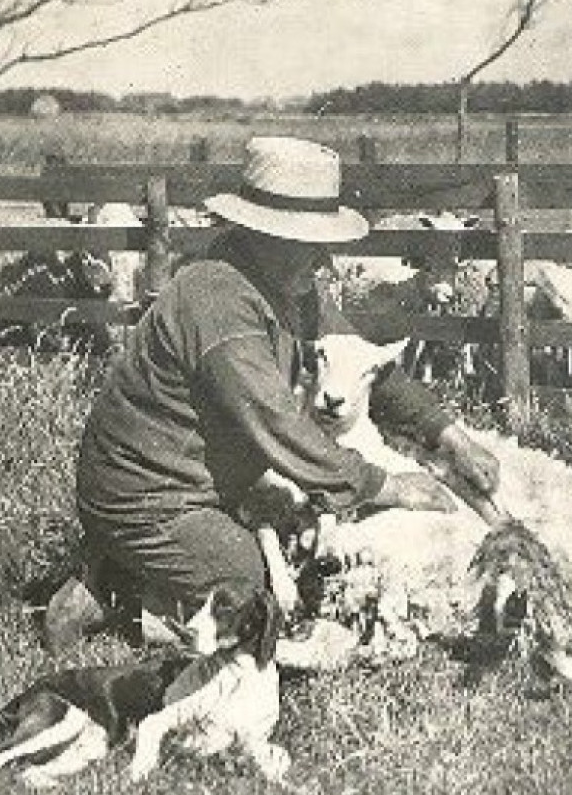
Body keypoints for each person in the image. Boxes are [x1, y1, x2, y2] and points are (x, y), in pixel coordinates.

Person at [51, 136, 498, 651]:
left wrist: (449, 435)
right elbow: (276, 421)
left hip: (203, 483)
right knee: (260, 593)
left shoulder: (290, 285)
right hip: (147, 494)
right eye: (312, 243)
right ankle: (112, 597)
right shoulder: (218, 300)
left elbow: (361, 361)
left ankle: (138, 568)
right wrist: (382, 486)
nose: (326, 261)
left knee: (287, 561)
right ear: (266, 235)